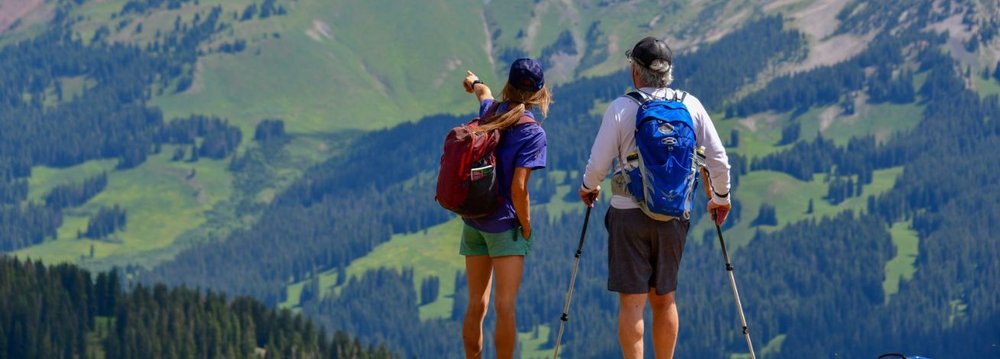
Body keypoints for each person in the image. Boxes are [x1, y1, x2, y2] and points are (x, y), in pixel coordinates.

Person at [577, 36, 732, 358]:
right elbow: (718, 158)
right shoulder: (691, 105)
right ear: (668, 72)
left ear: (636, 71)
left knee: (632, 302)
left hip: (627, 214)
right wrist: (720, 198)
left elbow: (598, 164)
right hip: (674, 214)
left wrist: (589, 187)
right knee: (665, 299)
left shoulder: (622, 107)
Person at [459, 58, 551, 359]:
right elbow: (519, 189)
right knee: (505, 307)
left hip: (474, 221)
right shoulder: (533, 133)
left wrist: (473, 82)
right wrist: (525, 226)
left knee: (476, 304)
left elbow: (483, 92)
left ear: (508, 84)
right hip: (504, 227)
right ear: (539, 93)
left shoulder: (490, 112)